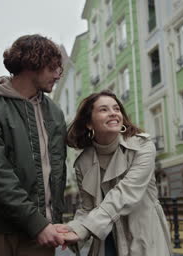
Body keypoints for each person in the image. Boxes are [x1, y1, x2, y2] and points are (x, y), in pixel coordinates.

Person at [0, 34, 68, 256]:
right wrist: (36, 223)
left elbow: (57, 170)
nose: (58, 75)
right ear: (32, 64)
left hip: (43, 227)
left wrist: (52, 220)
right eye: (53, 68)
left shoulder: (55, 113)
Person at [60, 90, 172, 256]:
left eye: (116, 109)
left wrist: (84, 228)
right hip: (106, 240)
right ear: (89, 123)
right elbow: (87, 208)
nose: (113, 113)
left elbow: (126, 193)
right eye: (104, 110)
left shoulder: (142, 146)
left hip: (143, 236)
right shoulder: (83, 163)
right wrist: (70, 229)